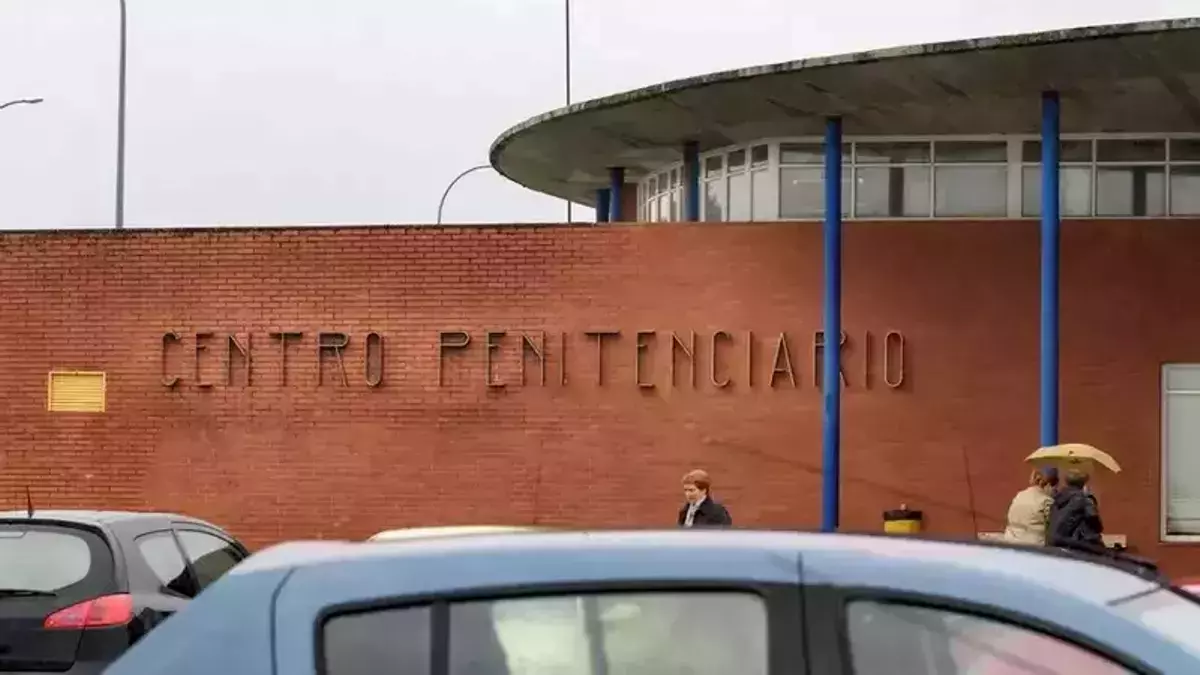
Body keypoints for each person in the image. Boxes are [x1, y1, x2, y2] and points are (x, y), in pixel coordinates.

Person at [1047, 468, 1104, 549]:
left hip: (1055, 541)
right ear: (1083, 483)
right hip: (1073, 544)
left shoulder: (1057, 498)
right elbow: (1095, 522)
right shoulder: (1083, 499)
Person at [1002, 467, 1058, 546]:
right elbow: (1053, 526)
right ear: (1049, 485)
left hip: (1010, 540)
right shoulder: (1047, 501)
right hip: (1033, 545)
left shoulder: (1020, 495)